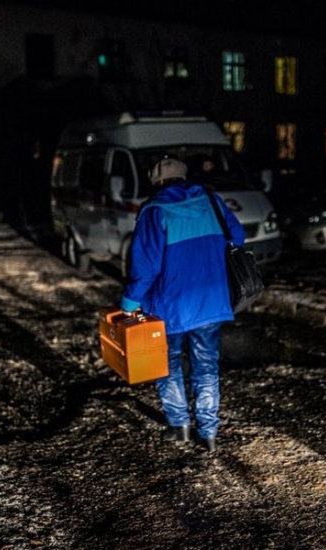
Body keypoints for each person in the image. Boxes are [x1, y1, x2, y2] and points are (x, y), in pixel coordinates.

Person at [120, 157, 245, 453]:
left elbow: (146, 265)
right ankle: (209, 431)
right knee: (206, 363)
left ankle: (180, 427)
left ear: (157, 182)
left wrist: (130, 302)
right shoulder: (211, 201)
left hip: (169, 305)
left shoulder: (154, 210)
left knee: (168, 362)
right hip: (210, 299)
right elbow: (238, 237)